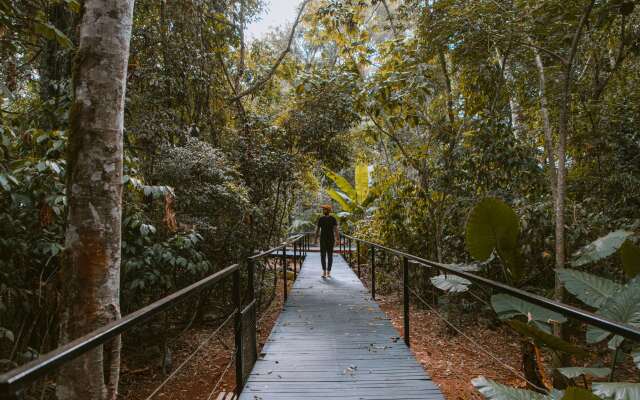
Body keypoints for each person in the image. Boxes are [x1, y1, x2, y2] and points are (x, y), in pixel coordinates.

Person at [315, 205, 339, 278]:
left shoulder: (333, 219)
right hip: (323, 239)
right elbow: (318, 229)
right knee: (322, 255)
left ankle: (328, 271)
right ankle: (324, 271)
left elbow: (335, 229)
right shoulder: (321, 219)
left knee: (330, 255)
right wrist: (316, 238)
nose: (323, 210)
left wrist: (337, 239)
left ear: (328, 210)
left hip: (331, 239)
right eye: (323, 209)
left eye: (324, 209)